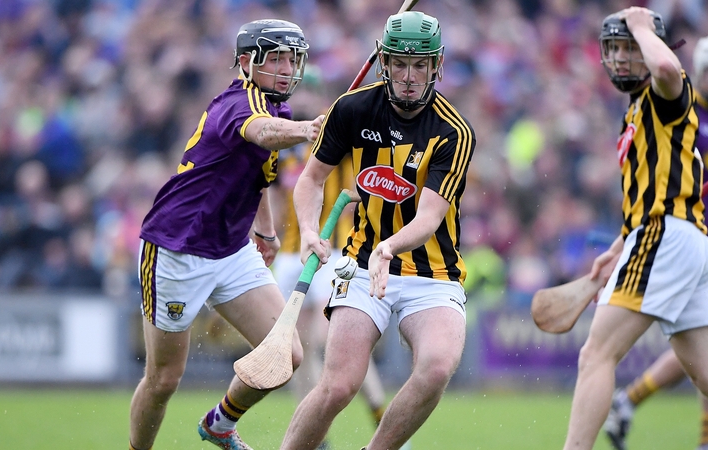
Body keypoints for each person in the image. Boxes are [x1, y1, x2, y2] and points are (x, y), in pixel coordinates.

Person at [563, 8, 708, 450]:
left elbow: (664, 66)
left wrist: (642, 26)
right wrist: (620, 245)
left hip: (664, 239)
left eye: (629, 49)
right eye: (615, 49)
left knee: (596, 355)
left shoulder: (667, 93)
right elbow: (666, 189)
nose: (621, 58)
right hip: (686, 242)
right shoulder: (637, 113)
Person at [280, 10, 475, 450]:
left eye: (420, 65)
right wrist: (310, 229)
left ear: (436, 66)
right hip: (364, 267)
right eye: (401, 64)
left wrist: (391, 246)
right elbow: (310, 180)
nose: (409, 76)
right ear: (384, 62)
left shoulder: (453, 131)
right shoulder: (352, 109)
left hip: (432, 274)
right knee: (338, 386)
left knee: (437, 367)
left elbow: (428, 218)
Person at [129, 19, 323, 450]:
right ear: (245, 63)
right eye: (275, 58)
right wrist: (310, 130)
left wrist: (267, 234)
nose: (287, 67)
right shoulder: (238, 104)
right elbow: (263, 134)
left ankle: (220, 422)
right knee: (163, 379)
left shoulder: (280, 109)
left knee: (287, 355)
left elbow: (258, 178)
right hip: (177, 247)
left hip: (233, 251)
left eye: (292, 58)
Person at [603, 35, 708, 450]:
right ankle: (692, 430)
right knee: (706, 347)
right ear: (700, 73)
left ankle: (634, 403)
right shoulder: (685, 111)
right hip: (689, 238)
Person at [273, 147, 403, 449]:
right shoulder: (286, 155)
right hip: (292, 255)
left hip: (333, 251)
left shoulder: (338, 144)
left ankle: (378, 413)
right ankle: (316, 434)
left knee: (332, 339)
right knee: (296, 348)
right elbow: (278, 199)